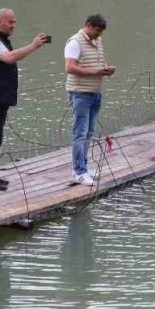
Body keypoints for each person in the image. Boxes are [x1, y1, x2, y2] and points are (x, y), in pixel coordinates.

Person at [0, 8, 48, 191]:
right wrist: (34, 46)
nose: (13, 25)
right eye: (10, 22)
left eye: (14, 22)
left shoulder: (0, 40)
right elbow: (9, 58)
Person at [64, 14, 115, 185]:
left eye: (101, 32)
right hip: (80, 93)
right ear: (88, 25)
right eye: (96, 31)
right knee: (80, 132)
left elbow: (100, 59)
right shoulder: (74, 43)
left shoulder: (97, 41)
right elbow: (69, 68)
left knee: (89, 132)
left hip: (95, 93)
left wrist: (106, 68)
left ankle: (83, 167)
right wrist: (96, 72)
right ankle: (79, 171)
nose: (98, 35)